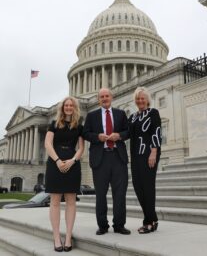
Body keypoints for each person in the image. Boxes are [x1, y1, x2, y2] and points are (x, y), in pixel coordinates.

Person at [83, 88, 130, 235]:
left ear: (112, 97)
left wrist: (119, 136)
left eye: (107, 96)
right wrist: (98, 137)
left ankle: (119, 225)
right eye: (102, 97)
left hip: (118, 157)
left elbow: (128, 131)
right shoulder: (91, 116)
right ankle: (103, 226)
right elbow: (85, 133)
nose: (104, 98)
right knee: (100, 195)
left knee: (120, 194)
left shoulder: (120, 114)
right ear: (98, 99)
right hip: (100, 158)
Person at [45, 96, 84, 252]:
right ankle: (56, 237)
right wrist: (58, 161)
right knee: (55, 201)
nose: (68, 107)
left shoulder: (79, 126)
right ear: (62, 108)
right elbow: (47, 143)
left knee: (71, 201)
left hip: (72, 165)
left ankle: (68, 237)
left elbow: (81, 148)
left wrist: (72, 161)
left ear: (74, 108)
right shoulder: (54, 124)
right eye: (66, 105)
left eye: (71, 105)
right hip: (55, 164)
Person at [128, 87, 162, 234]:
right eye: (138, 98)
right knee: (137, 187)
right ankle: (152, 218)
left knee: (148, 187)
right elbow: (126, 133)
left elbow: (157, 132)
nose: (140, 101)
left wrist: (154, 152)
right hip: (135, 156)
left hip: (149, 153)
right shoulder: (133, 117)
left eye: (142, 98)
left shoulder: (153, 113)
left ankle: (149, 222)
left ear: (147, 100)